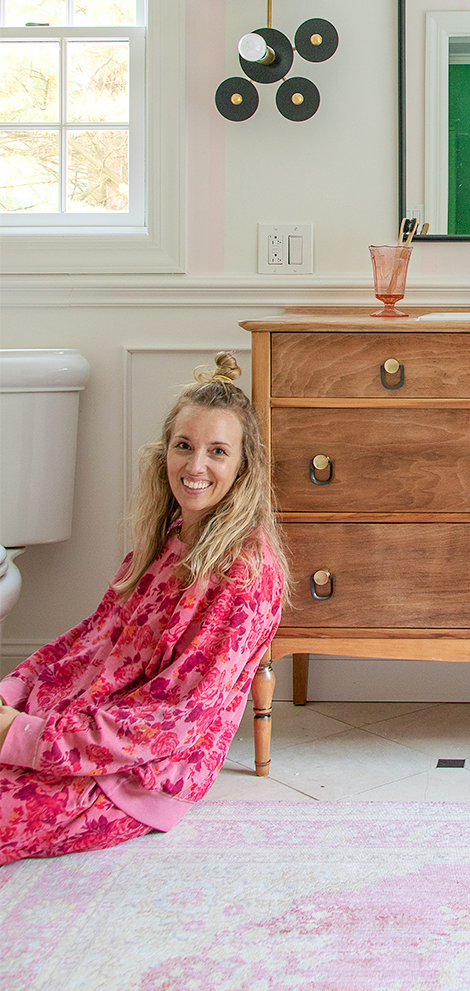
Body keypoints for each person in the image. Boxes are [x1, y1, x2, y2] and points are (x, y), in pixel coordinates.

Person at [0, 354, 286, 864]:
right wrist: (14, 692)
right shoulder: (169, 540)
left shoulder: (241, 577)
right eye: (184, 446)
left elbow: (170, 721)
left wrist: (22, 735)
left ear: (245, 465)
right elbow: (92, 638)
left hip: (136, 778)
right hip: (83, 731)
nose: (195, 467)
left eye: (217, 451)